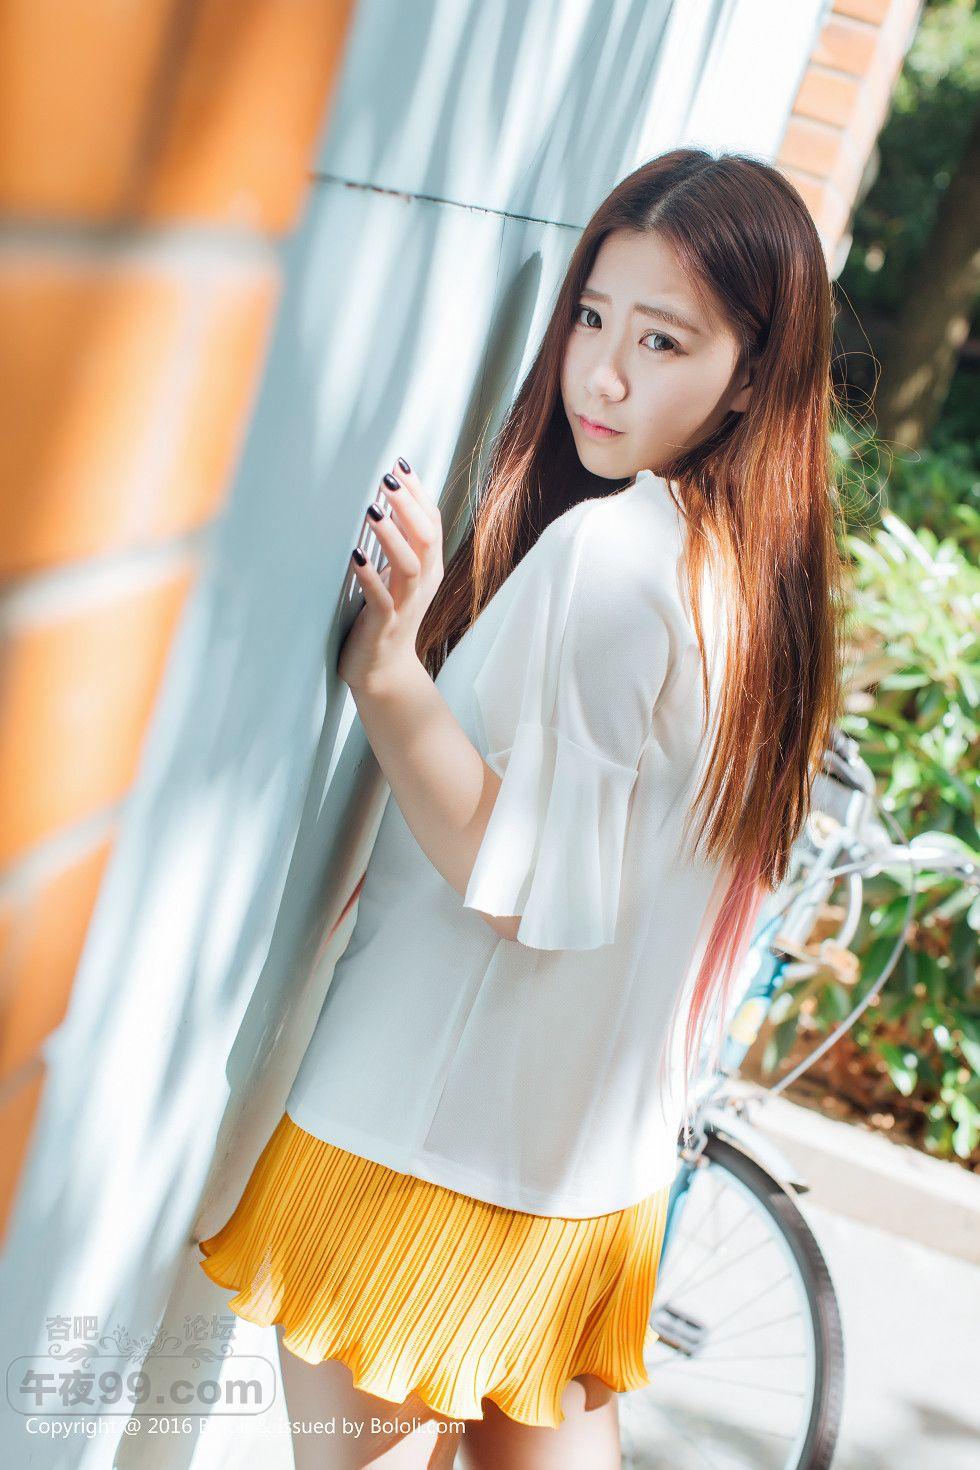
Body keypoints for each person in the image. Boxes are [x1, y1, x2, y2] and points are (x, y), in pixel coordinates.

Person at [198, 147, 846, 1469]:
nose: (601, 374)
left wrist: (388, 670)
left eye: (662, 341)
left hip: (417, 1153)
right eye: (592, 319)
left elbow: (525, 881)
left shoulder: (618, 555)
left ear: (751, 377)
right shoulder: (761, 594)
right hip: (585, 1182)